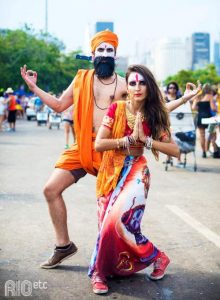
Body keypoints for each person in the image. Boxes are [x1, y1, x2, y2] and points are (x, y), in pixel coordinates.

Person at [20, 30, 201, 270]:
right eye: (101, 50)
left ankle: (120, 262)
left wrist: (184, 99)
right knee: (50, 189)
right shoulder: (81, 79)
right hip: (84, 145)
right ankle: (63, 246)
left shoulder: (127, 84)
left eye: (110, 51)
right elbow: (59, 105)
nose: (105, 55)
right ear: (93, 54)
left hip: (114, 151)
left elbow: (156, 107)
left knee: (112, 218)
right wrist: (34, 88)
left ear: (115, 55)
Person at [89, 65, 200, 295]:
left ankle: (98, 272)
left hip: (137, 171)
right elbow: (99, 144)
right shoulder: (116, 109)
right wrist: (128, 140)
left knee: (116, 222)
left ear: (149, 87)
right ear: (126, 87)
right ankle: (157, 257)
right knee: (107, 225)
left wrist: (146, 142)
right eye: (132, 83)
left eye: (142, 83)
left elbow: (174, 150)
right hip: (111, 171)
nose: (137, 87)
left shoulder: (153, 115)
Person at [192, 84, 216, 158]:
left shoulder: (198, 97)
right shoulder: (210, 96)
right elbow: (213, 108)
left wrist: (199, 108)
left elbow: (193, 108)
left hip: (200, 118)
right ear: (209, 89)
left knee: (202, 136)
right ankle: (215, 151)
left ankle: (204, 152)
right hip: (209, 118)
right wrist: (217, 109)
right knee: (212, 134)